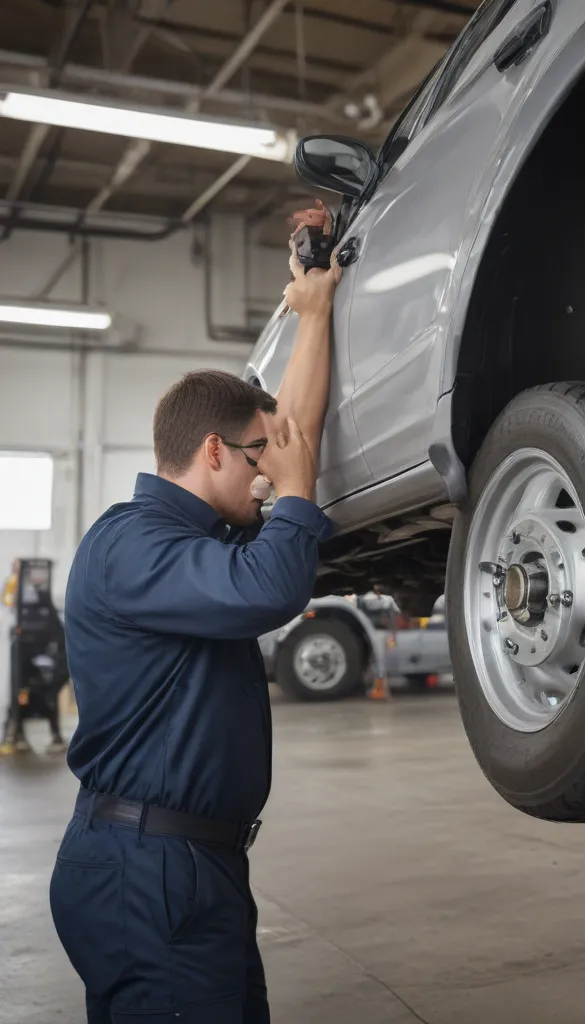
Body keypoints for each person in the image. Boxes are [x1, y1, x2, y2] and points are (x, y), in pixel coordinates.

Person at [49, 237, 341, 1024]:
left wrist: (313, 310)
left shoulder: (195, 541)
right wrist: (301, 497)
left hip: (191, 863)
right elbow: (268, 589)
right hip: (147, 869)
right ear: (213, 450)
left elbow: (292, 442)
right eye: (253, 460)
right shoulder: (131, 544)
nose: (269, 477)